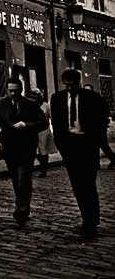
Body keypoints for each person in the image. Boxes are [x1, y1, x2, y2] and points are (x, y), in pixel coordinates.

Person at [51, 69, 109, 238]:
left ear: (79, 83)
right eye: (66, 85)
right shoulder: (57, 98)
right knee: (77, 185)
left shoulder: (92, 98)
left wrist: (96, 142)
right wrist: (62, 146)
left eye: (73, 85)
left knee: (88, 184)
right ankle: (87, 218)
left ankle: (91, 221)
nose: (69, 88)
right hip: (70, 146)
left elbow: (102, 119)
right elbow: (57, 123)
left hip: (87, 145)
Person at [0, 77, 46, 228]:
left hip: (27, 147)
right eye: (10, 91)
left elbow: (43, 123)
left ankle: (20, 209)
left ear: (21, 89)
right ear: (7, 90)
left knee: (24, 177)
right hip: (9, 147)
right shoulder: (1, 103)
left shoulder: (30, 104)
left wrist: (26, 125)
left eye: (16, 90)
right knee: (16, 178)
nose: (13, 93)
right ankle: (24, 206)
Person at [84, 84, 115, 169]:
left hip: (100, 127)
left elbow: (106, 111)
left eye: (88, 90)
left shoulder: (98, 99)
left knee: (103, 145)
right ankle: (96, 164)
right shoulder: (84, 101)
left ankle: (113, 160)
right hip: (90, 128)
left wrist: (104, 122)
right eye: (85, 90)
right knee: (93, 146)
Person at [28, 89, 57, 177]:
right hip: (33, 131)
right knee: (34, 151)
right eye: (33, 96)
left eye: (37, 96)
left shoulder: (46, 106)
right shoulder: (29, 105)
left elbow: (52, 118)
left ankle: (43, 169)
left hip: (43, 131)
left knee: (43, 151)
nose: (35, 98)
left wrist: (53, 129)